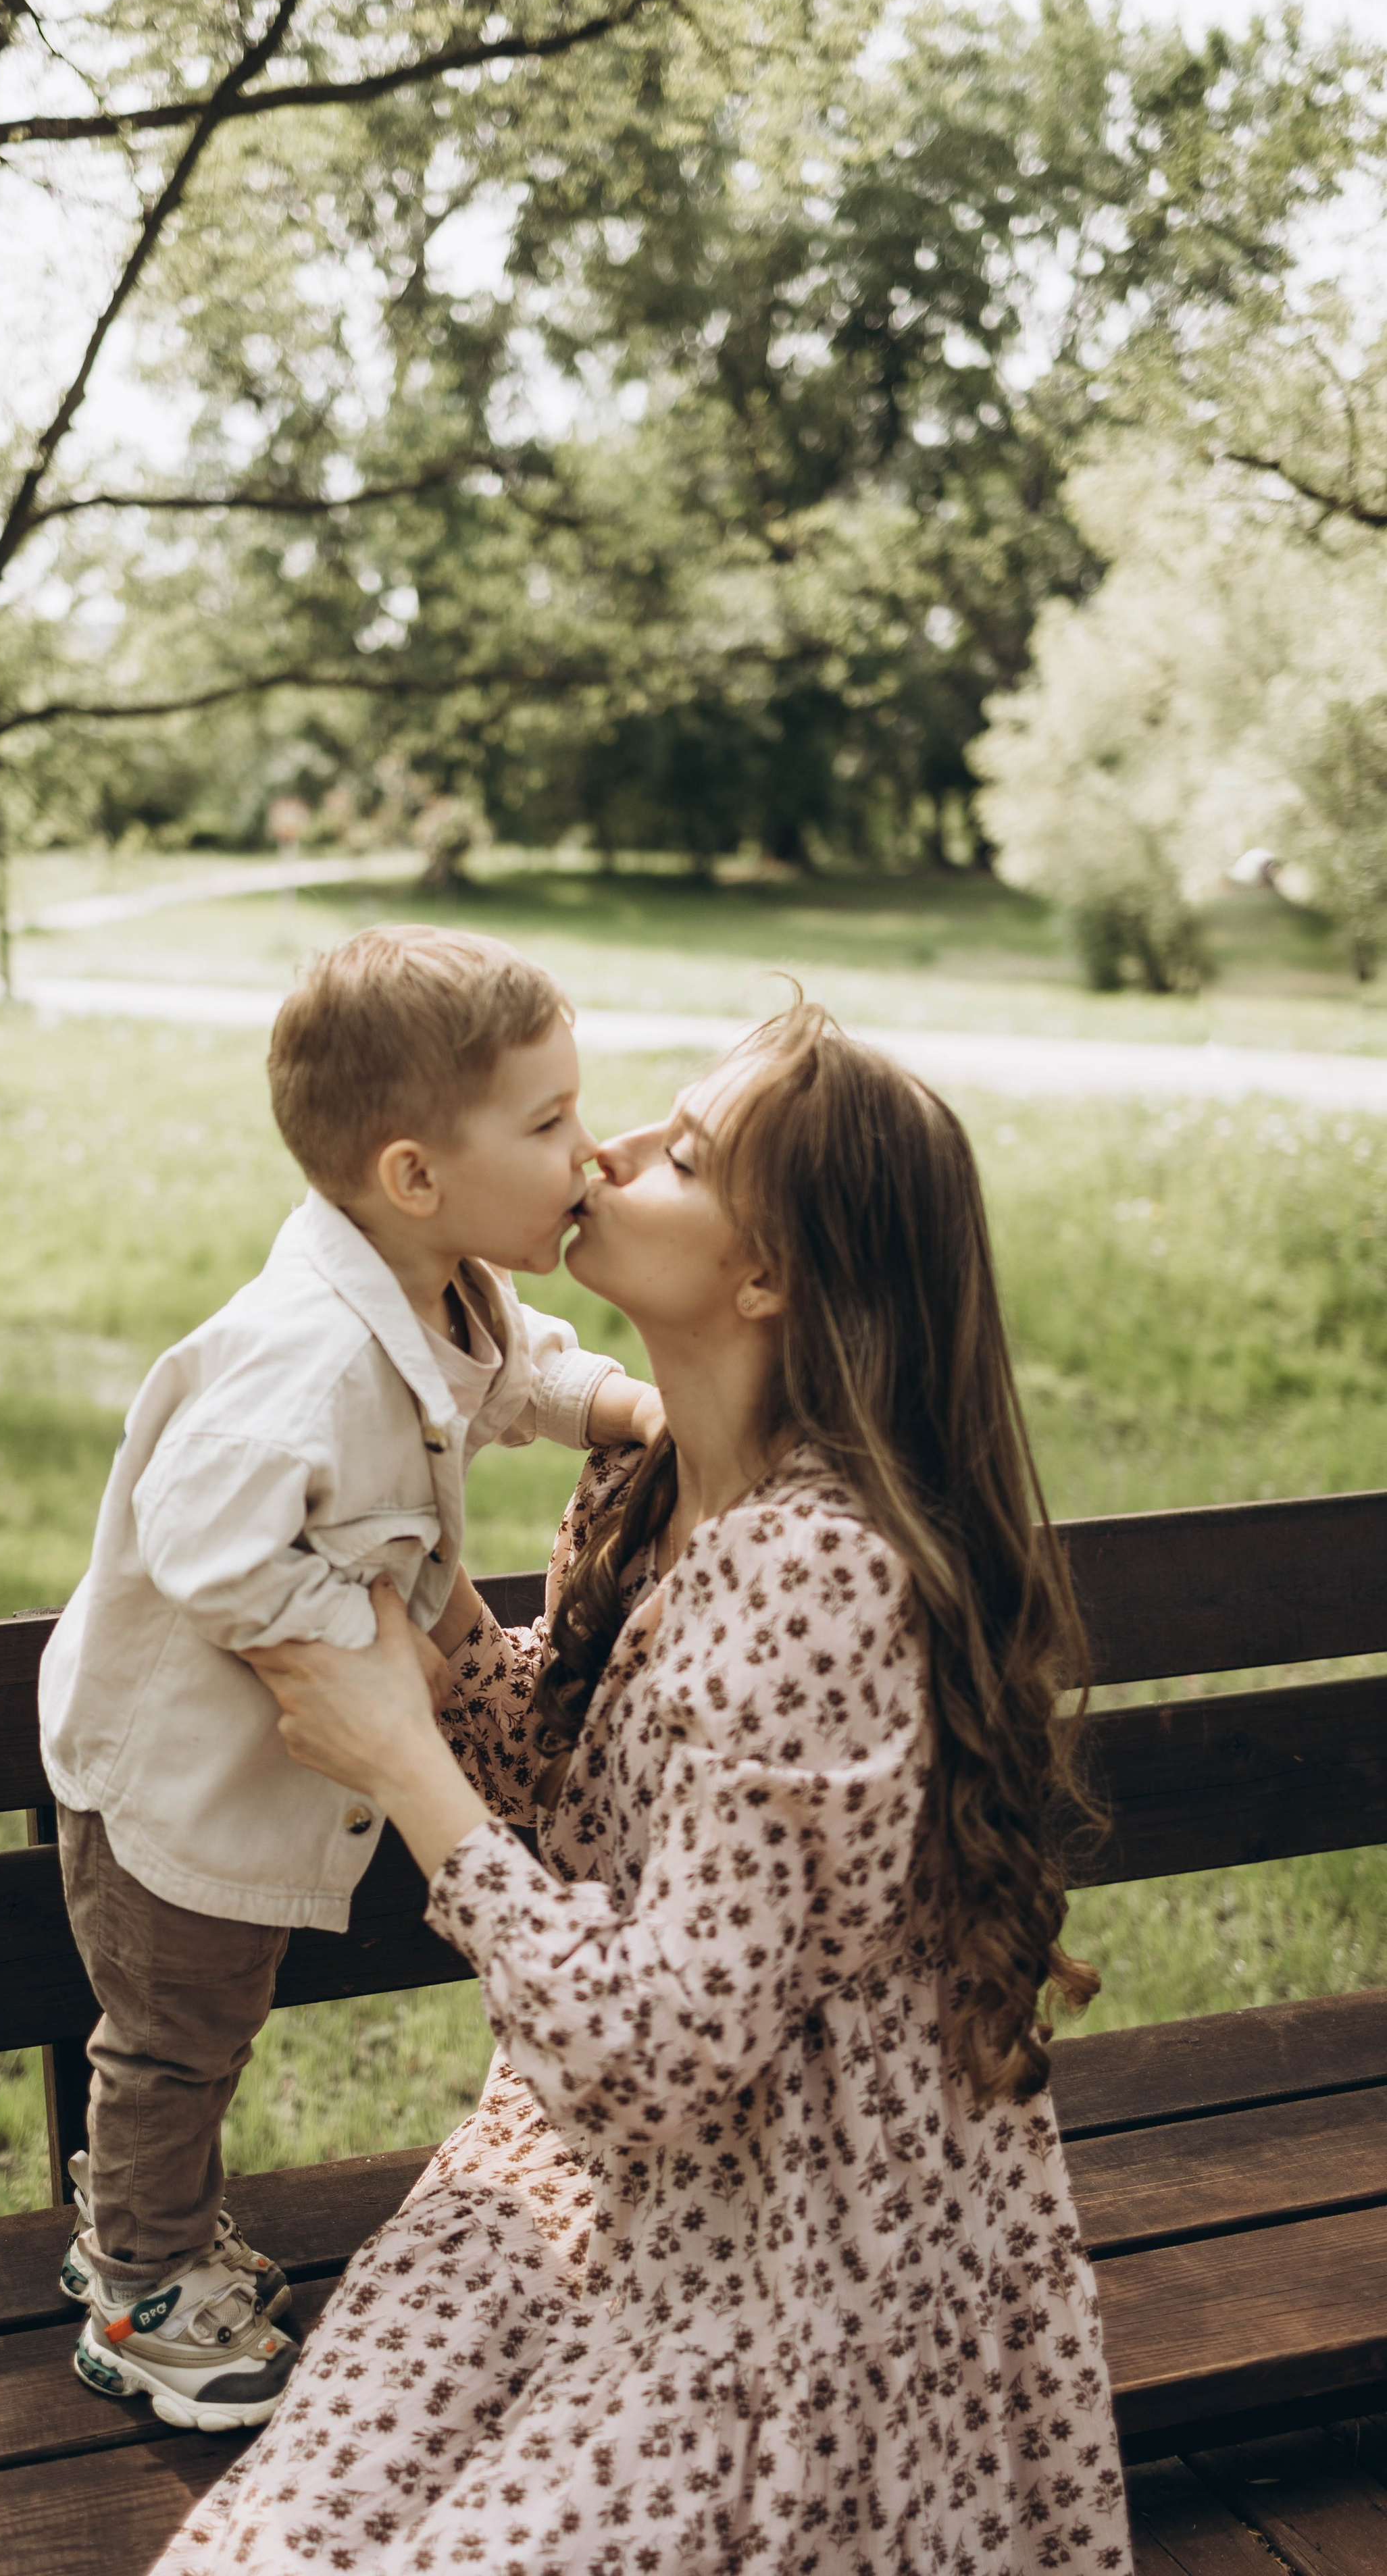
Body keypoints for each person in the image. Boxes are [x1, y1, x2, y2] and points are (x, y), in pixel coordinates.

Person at [149, 999, 1130, 2575]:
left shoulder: (818, 1577)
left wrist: (403, 1766)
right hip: (579, 2176)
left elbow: (667, 2055)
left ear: (766, 1277)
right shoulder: (645, 1482)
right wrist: (426, 1619)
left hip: (792, 2255)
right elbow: (588, 1791)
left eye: (682, 1154)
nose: (602, 1153)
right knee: (277, 2543)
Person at [40, 927, 661, 2432]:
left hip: (262, 1780)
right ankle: (139, 2288)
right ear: (414, 1174)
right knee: (175, 2044)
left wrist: (631, 1409)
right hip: (180, 1792)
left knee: (208, 2030)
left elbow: (517, 1375)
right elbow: (205, 1542)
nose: (588, 1153)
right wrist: (391, 1634)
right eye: (547, 1123)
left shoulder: (441, 1288)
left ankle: (139, 2220)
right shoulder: (304, 1359)